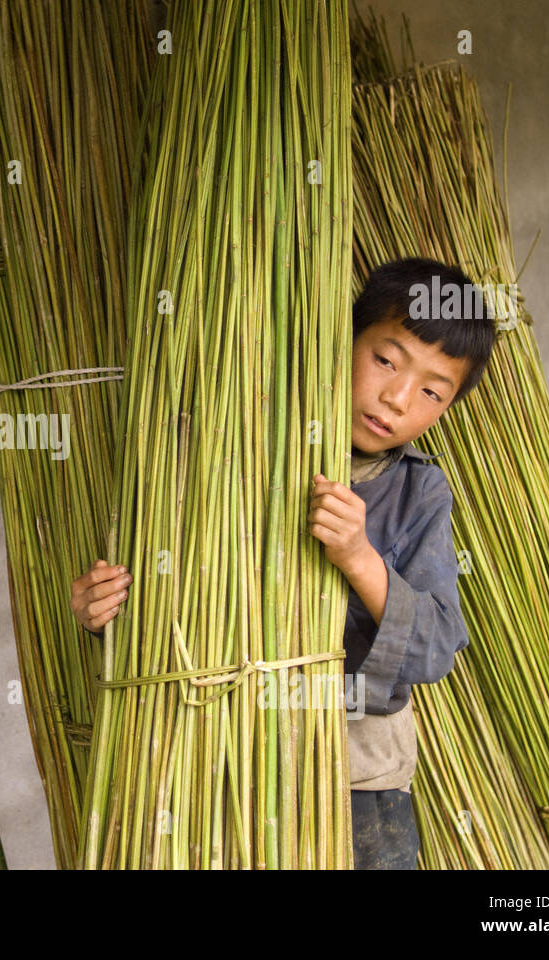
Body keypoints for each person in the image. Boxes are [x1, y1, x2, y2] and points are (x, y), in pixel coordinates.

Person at [69, 257, 498, 869]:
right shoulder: (233, 449)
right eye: (385, 359)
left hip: (357, 779)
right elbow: (168, 599)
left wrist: (359, 558)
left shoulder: (419, 494)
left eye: (432, 390)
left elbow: (436, 648)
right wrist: (100, 608)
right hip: (213, 761)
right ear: (340, 339)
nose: (397, 398)